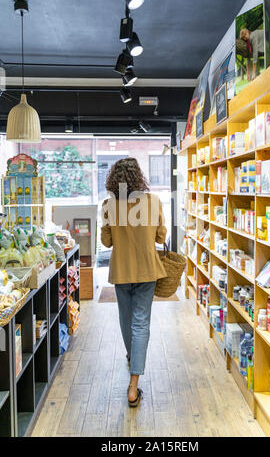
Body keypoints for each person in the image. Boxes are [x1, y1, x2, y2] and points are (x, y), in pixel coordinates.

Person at [101, 158, 167, 408]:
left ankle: (132, 358)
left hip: (121, 271)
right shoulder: (153, 202)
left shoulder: (109, 205)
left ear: (113, 179)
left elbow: (106, 243)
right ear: (139, 177)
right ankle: (133, 385)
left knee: (126, 320)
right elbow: (161, 237)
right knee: (141, 323)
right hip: (147, 270)